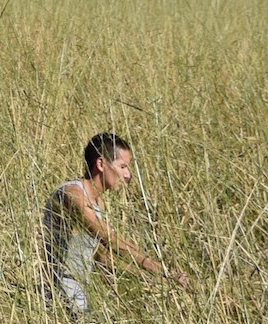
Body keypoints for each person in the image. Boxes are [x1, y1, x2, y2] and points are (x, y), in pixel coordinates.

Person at [44, 132, 190, 314]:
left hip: (79, 302)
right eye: (122, 166)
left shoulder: (98, 204)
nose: (128, 175)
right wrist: (162, 270)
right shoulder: (72, 194)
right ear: (101, 164)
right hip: (58, 302)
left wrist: (154, 278)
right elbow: (108, 239)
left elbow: (101, 256)